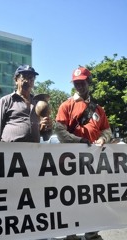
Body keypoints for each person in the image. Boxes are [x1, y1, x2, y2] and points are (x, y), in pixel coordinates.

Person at [55, 67, 112, 240]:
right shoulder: (66, 105)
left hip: (93, 161)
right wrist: (79, 141)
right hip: (71, 161)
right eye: (76, 83)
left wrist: (103, 139)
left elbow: (107, 130)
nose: (79, 86)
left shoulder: (98, 109)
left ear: (89, 82)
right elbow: (59, 130)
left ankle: (92, 233)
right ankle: (71, 235)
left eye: (82, 82)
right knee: (71, 198)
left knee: (93, 198)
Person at [0, 64, 52, 142]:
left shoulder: (37, 103)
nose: (28, 80)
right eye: (24, 76)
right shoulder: (6, 101)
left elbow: (46, 137)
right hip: (10, 151)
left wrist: (44, 128)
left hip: (33, 151)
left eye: (31, 78)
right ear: (16, 80)